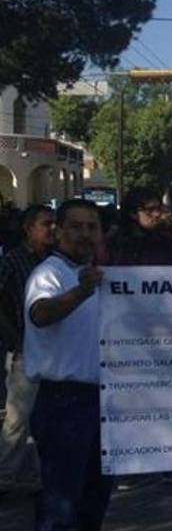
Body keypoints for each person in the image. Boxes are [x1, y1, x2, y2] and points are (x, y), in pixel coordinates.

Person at [24, 199, 128, 531]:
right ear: (60, 230)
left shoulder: (97, 276)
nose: (85, 234)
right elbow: (41, 314)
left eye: (92, 227)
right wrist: (80, 291)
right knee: (61, 506)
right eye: (76, 226)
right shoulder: (49, 274)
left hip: (101, 401)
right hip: (64, 401)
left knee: (92, 503)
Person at [109, 190, 172, 487]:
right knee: (133, 400)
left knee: (171, 398)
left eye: (160, 208)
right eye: (152, 209)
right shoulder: (113, 245)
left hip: (166, 332)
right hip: (127, 336)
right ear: (133, 213)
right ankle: (131, 464)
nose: (159, 213)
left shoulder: (168, 242)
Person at [0, 205, 55, 497]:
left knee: (46, 419)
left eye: (54, 223)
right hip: (24, 349)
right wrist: (13, 337)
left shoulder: (55, 260)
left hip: (53, 349)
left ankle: (40, 475)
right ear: (28, 228)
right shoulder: (13, 260)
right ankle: (5, 475)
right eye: (46, 224)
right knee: (17, 419)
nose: (52, 229)